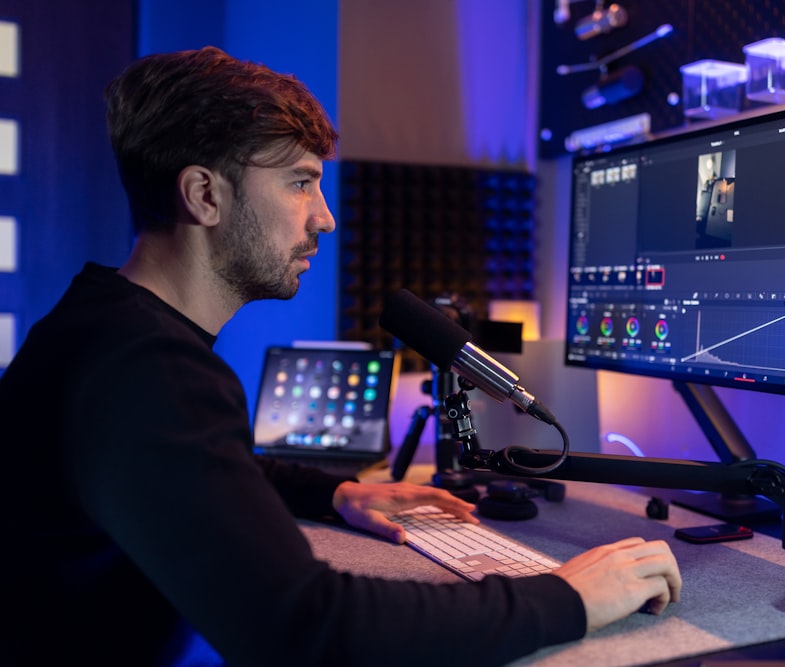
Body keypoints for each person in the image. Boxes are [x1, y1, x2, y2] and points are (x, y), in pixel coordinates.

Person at [0, 46, 682, 666]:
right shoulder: (151, 371)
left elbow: (181, 475)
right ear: (205, 195)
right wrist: (566, 597)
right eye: (300, 183)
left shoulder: (101, 327)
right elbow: (310, 628)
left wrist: (332, 490)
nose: (325, 216)